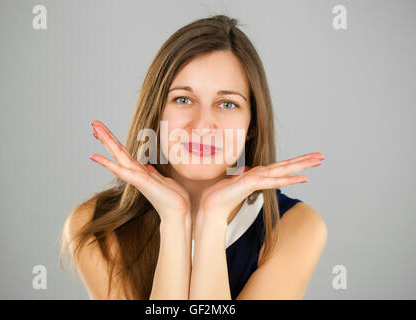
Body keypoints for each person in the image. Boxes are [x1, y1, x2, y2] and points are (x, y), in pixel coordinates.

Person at [59, 14, 327, 300]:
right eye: (183, 100)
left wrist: (213, 219)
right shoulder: (96, 228)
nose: (201, 126)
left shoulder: (296, 227)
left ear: (252, 125)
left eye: (227, 104)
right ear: (157, 111)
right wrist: (174, 219)